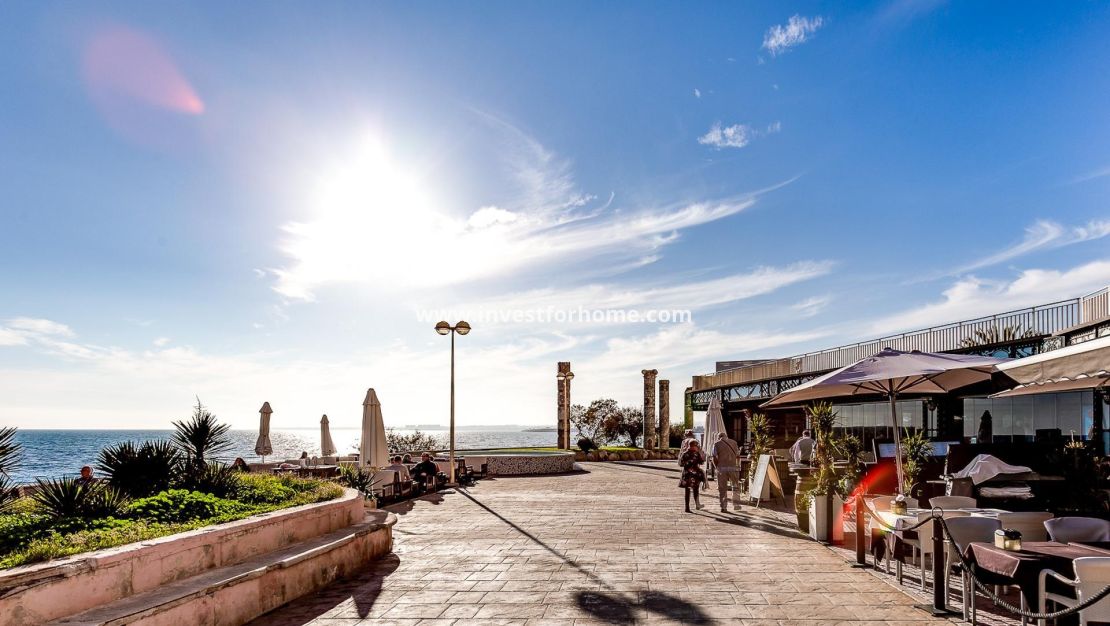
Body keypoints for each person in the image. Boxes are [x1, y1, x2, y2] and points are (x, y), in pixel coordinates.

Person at [712, 431, 742, 512]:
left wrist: (716, 467)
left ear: (719, 437)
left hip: (721, 468)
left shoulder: (716, 444)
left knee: (722, 488)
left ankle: (723, 507)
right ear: (726, 436)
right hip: (733, 467)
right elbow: (738, 456)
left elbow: (714, 457)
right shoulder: (734, 443)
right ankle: (736, 505)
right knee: (735, 486)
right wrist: (737, 465)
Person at [679, 439, 706, 512]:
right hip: (695, 474)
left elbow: (681, 464)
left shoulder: (684, 453)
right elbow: (702, 462)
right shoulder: (696, 454)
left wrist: (687, 463)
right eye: (697, 446)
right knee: (695, 490)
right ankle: (697, 505)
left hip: (687, 474)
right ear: (694, 446)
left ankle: (687, 508)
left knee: (687, 491)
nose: (697, 447)